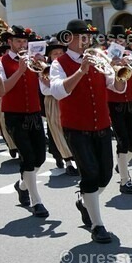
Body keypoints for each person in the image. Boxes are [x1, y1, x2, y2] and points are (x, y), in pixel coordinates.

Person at [49, 19, 130, 243]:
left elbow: (117, 86)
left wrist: (120, 68)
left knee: (105, 175)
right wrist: (81, 71)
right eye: (82, 37)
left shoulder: (99, 58)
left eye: (89, 37)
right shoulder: (60, 63)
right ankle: (97, 225)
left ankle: (85, 202)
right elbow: (57, 91)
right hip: (76, 127)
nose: (87, 41)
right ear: (69, 39)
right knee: (91, 174)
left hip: (102, 125)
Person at [0, 25, 50, 217]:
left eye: (24, 41)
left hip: (34, 113)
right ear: (9, 42)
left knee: (40, 158)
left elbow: (46, 88)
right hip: (13, 115)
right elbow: (3, 90)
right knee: (28, 158)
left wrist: (42, 68)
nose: (22, 45)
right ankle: (37, 201)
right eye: (18, 41)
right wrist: (19, 70)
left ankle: (22, 185)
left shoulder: (34, 61)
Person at [104, 26, 132, 195]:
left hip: (131, 99)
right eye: (115, 40)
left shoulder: (128, 55)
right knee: (123, 141)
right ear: (109, 41)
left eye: (121, 40)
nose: (118, 43)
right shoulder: (104, 57)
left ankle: (122, 164)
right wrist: (111, 64)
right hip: (114, 102)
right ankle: (124, 180)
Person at [42, 37, 78, 175]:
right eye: (55, 53)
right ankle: (68, 162)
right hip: (53, 102)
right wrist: (53, 87)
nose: (58, 55)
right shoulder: (45, 69)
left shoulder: (65, 66)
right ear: (50, 56)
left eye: (60, 53)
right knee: (58, 131)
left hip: (69, 99)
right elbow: (45, 90)